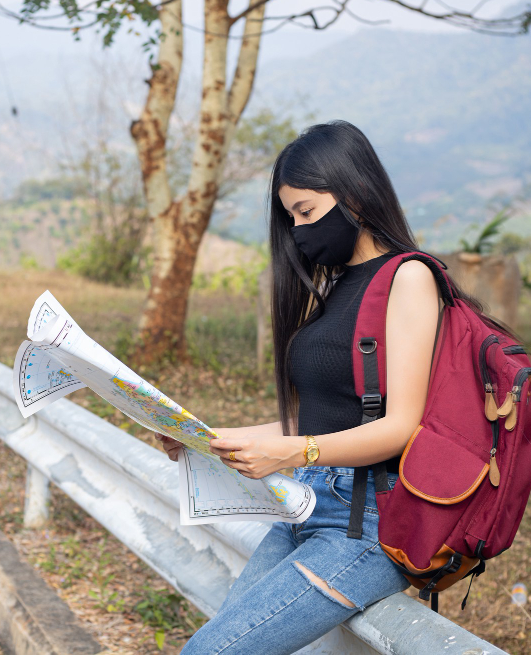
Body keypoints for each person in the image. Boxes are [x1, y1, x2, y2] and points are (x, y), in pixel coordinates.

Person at [156, 120, 462, 654]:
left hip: (368, 525)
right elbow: (330, 416)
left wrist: (293, 452)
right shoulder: (340, 284)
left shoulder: (408, 277)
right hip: (307, 504)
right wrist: (211, 439)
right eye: (290, 217)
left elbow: (400, 426)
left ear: (356, 197)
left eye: (306, 212)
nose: (298, 231)